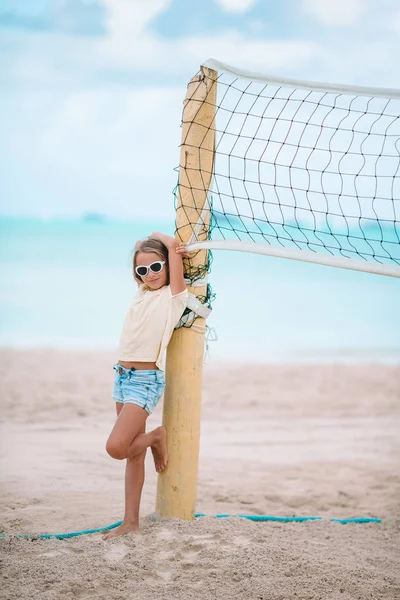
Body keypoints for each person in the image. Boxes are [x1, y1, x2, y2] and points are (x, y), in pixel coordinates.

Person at [103, 232, 189, 540]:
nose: (150, 275)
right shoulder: (141, 294)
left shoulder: (173, 297)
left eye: (156, 267)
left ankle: (156, 437)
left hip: (145, 381)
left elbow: (174, 254)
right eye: (142, 270)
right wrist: (142, 250)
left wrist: (158, 238)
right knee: (131, 455)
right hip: (122, 377)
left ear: (166, 266)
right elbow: (147, 273)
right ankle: (131, 522)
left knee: (116, 448)